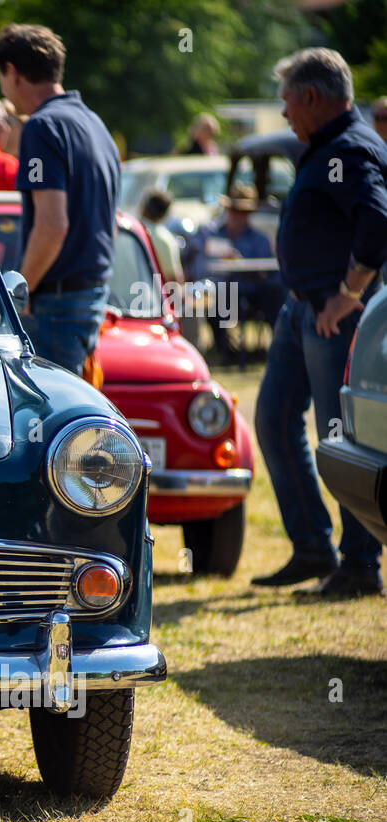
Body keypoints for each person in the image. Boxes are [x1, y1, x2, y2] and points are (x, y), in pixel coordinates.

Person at [251, 48, 387, 597]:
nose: (283, 113)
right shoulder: (330, 146)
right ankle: (312, 547)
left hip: (335, 315)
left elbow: (378, 220)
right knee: (274, 418)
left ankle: (359, 566)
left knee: (341, 438)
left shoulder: (350, 147)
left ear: (310, 97)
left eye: (286, 101)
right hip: (303, 309)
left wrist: (348, 294)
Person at [0, 23, 121, 376]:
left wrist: (20, 290)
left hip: (56, 305)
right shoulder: (94, 124)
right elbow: (111, 222)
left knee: (43, 422)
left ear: (12, 73)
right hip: (88, 295)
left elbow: (51, 224)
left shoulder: (41, 128)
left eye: (0, 77)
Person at [185, 184, 286, 368]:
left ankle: (280, 347)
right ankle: (224, 350)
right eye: (234, 210)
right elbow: (195, 248)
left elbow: (267, 268)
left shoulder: (259, 239)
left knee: (275, 291)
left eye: (243, 211)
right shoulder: (211, 232)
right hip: (224, 292)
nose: (238, 215)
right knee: (215, 297)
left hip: (252, 292)